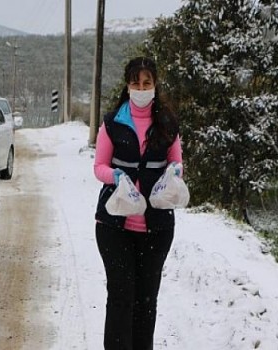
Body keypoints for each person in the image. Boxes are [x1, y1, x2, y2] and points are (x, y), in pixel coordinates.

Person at [93, 56, 183, 350]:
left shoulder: (168, 124)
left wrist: (175, 173)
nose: (141, 88)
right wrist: (116, 175)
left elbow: (176, 162)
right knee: (121, 296)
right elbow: (99, 167)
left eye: (147, 83)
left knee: (146, 300)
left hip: (156, 229)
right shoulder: (112, 124)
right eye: (136, 83)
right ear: (128, 85)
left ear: (155, 85)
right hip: (115, 226)